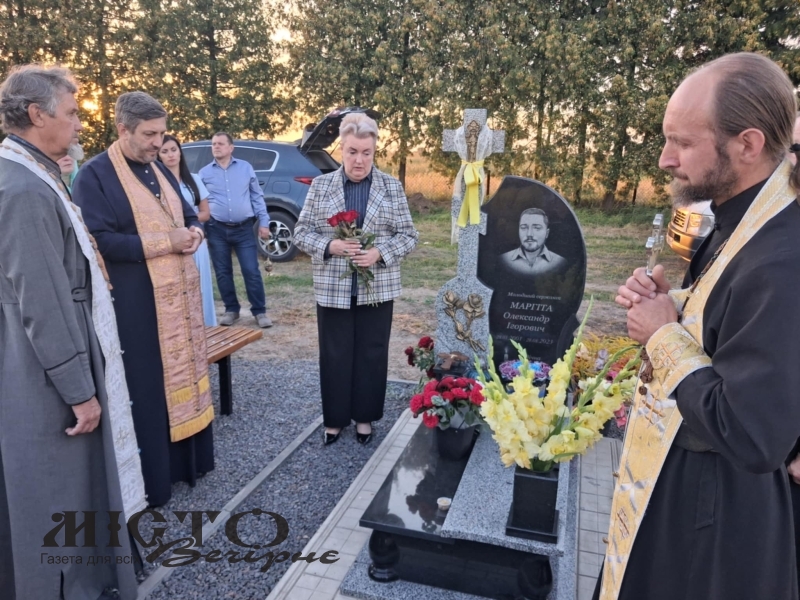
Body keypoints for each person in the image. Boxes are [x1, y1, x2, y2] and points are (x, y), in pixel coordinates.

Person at [604, 53, 800, 600]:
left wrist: (663, 335)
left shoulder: (782, 255)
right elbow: (739, 330)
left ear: (748, 144)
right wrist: (676, 305)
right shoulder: (743, 218)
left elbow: (754, 432)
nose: (666, 159)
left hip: (714, 526)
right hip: (689, 490)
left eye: (683, 143)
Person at [0, 65, 144, 599]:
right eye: (72, 111)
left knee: (78, 483)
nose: (81, 123)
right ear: (37, 115)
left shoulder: (35, 172)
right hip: (44, 373)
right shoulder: (23, 190)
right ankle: (64, 585)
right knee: (56, 483)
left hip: (60, 350)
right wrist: (79, 389)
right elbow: (42, 301)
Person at [73, 91, 214, 508]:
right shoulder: (95, 175)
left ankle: (190, 464)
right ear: (122, 129)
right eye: (149, 134)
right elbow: (96, 240)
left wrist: (196, 233)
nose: (159, 143)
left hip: (179, 299)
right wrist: (164, 242)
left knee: (184, 375)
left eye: (162, 133)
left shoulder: (158, 167)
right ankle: (156, 479)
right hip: (136, 303)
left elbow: (188, 215)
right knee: (150, 386)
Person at [294, 112, 418, 445]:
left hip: (376, 288)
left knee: (371, 353)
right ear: (342, 150)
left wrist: (381, 253)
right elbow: (300, 233)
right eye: (352, 152)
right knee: (334, 354)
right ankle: (334, 419)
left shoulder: (391, 187)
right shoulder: (321, 186)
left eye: (366, 152)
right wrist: (330, 245)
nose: (359, 160)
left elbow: (409, 235)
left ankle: (364, 417)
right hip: (333, 288)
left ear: (374, 150)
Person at [199, 132, 273, 328]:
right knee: (223, 271)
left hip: (243, 229)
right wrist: (201, 229)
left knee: (251, 270)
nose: (216, 147)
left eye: (221, 144)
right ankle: (232, 309)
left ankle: (259, 311)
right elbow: (200, 203)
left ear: (231, 147)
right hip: (216, 229)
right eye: (214, 144)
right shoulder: (204, 173)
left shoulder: (245, 168)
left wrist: (264, 222)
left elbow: (257, 196)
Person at [158, 134, 217, 325]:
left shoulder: (194, 179)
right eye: (164, 151)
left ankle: (206, 327)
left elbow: (205, 213)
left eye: (173, 150)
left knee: (200, 288)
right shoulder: (157, 183)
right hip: (172, 244)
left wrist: (187, 223)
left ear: (180, 152)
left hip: (196, 240)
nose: (170, 155)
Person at [499, 208, 567, 276]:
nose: (529, 234)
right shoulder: (503, 259)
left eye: (537, 228)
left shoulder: (560, 262)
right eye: (524, 227)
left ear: (547, 233)